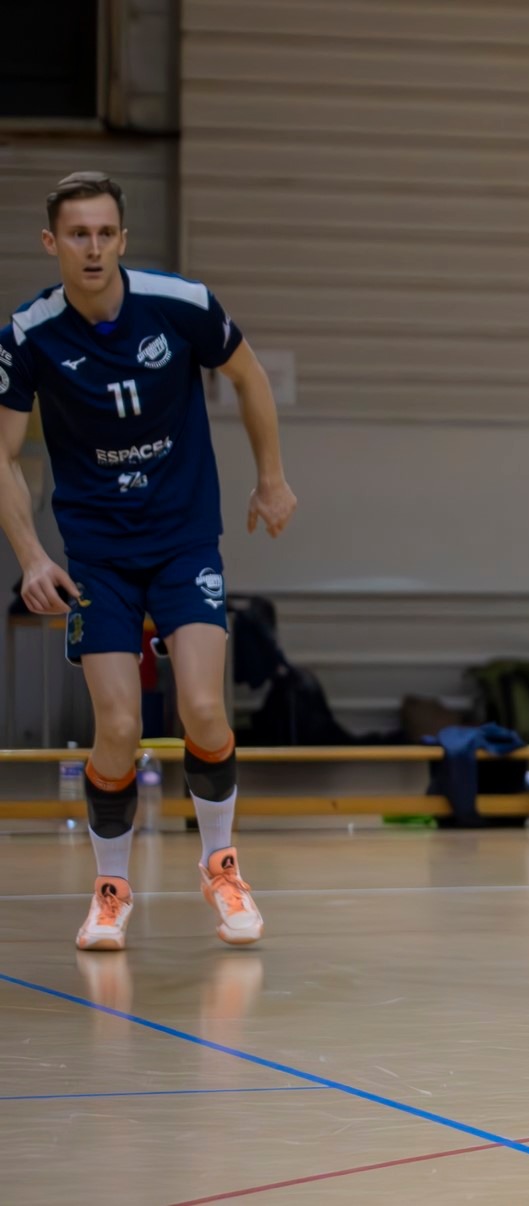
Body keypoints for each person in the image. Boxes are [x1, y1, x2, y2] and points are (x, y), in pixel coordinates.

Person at [0, 172, 297, 950]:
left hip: (182, 538)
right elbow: (2, 455)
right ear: (52, 243)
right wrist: (31, 556)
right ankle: (110, 891)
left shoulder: (181, 304)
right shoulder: (29, 334)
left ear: (122, 240)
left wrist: (271, 478)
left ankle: (222, 869)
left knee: (203, 707)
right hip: (97, 551)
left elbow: (249, 375)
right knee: (119, 727)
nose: (92, 248)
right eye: (77, 235)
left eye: (105, 233)